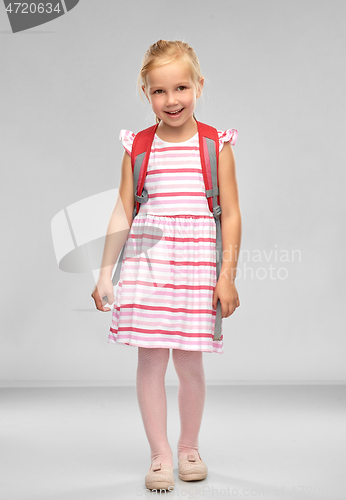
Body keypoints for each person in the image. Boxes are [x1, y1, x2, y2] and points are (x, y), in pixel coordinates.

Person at [91, 39, 242, 491]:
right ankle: (159, 455)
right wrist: (104, 274)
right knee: (151, 361)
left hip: (196, 268)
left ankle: (188, 447)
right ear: (145, 93)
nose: (171, 100)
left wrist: (227, 276)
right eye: (159, 91)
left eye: (181, 88)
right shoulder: (138, 147)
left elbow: (230, 213)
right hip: (148, 267)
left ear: (198, 85)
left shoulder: (216, 146)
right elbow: (123, 211)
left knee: (190, 363)